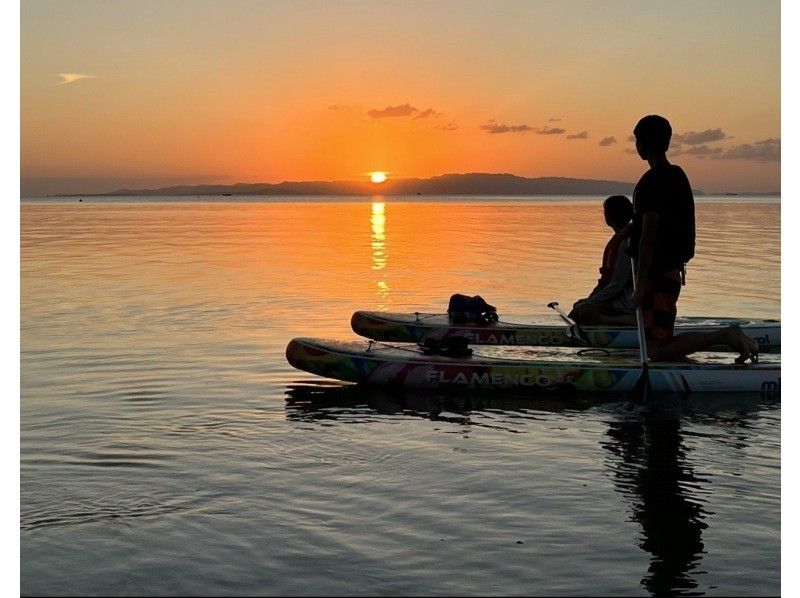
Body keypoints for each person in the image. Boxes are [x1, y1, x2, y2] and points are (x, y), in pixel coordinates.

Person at [629, 114, 758, 363]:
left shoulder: (653, 181)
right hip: (669, 270)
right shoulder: (675, 176)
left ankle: (726, 335)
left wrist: (640, 283)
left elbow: (649, 235)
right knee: (656, 343)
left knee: (655, 350)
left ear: (642, 144)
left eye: (637, 140)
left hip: (657, 275)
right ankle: (721, 337)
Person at [569, 195, 636, 326]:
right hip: (616, 298)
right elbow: (605, 281)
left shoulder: (626, 244)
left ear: (609, 217)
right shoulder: (619, 239)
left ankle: (630, 320)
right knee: (579, 306)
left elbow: (616, 285)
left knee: (586, 311)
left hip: (625, 303)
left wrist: (590, 303)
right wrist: (590, 299)